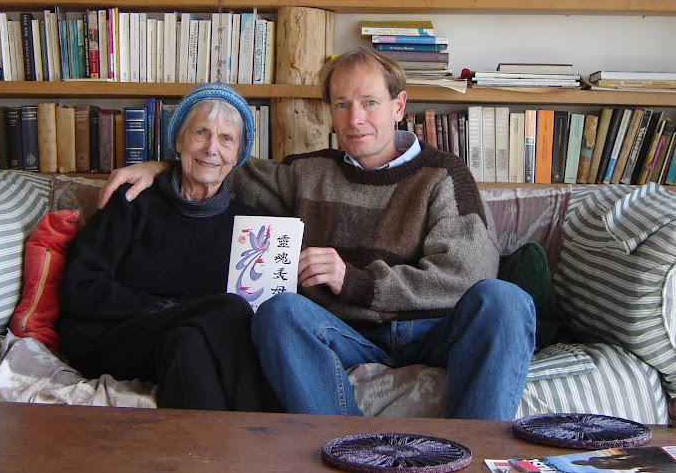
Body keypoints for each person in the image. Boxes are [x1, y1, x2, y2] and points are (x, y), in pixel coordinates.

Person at [97, 48, 536, 420]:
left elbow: (466, 277)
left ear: (399, 106)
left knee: (506, 300)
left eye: (369, 102)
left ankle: (477, 457)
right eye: (341, 104)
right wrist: (162, 167)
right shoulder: (309, 173)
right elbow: (220, 162)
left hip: (432, 331)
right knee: (280, 311)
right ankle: (344, 451)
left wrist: (356, 281)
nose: (355, 118)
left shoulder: (444, 175)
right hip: (343, 334)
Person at [58, 82, 277, 412]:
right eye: (201, 133)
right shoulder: (132, 201)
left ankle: (219, 457)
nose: (211, 149)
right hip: (114, 338)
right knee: (230, 309)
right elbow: (81, 287)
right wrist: (162, 309)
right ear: (179, 141)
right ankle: (265, 439)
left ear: (238, 155)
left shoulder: (254, 230)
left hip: (184, 345)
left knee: (187, 341)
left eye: (226, 139)